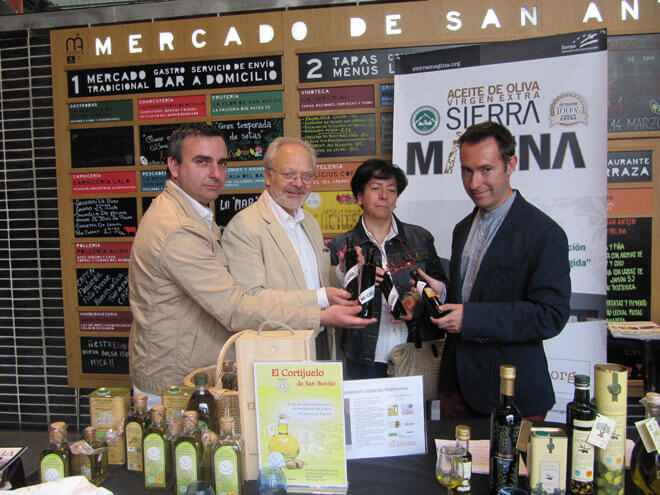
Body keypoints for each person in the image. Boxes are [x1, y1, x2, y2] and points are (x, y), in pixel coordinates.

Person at [128, 124, 371, 404]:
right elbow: (236, 307)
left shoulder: (195, 213)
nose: (215, 173)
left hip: (201, 373)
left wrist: (341, 273)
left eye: (222, 163)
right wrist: (320, 314)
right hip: (176, 382)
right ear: (174, 166)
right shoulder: (179, 227)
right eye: (202, 162)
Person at [419, 121, 571, 419]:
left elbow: (550, 315)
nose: (474, 183)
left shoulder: (545, 233)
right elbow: (476, 293)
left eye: (486, 169)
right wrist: (445, 293)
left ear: (511, 164)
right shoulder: (462, 228)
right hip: (455, 388)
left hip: (511, 396)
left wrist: (470, 318)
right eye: (466, 171)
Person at [222, 137, 353, 359]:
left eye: (307, 176)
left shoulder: (310, 222)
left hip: (320, 339)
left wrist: (341, 271)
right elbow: (251, 299)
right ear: (268, 176)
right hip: (277, 351)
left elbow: (311, 280)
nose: (299, 183)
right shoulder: (244, 226)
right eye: (289, 174)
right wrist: (321, 298)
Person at [328, 159, 449, 379]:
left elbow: (441, 288)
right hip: (364, 356)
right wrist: (348, 273)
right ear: (359, 197)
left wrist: (418, 301)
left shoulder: (420, 238)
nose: (384, 196)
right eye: (376, 189)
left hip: (413, 351)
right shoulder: (341, 245)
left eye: (391, 190)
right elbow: (336, 302)